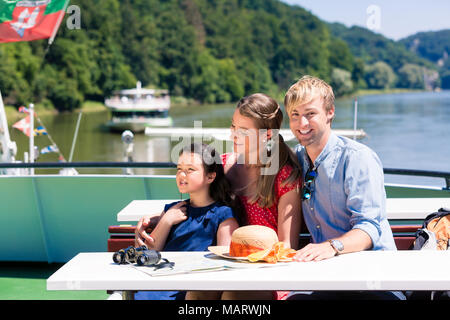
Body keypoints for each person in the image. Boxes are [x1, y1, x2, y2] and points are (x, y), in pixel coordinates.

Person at [135, 93, 303, 300]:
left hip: (264, 273)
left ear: (267, 135)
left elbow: (287, 245)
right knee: (198, 292)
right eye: (233, 127)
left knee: (234, 296)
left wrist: (250, 259)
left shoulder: (284, 176)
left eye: (244, 131)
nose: (234, 135)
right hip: (222, 266)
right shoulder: (223, 165)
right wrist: (157, 218)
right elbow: (199, 204)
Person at [284, 75, 405, 300]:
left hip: (374, 278)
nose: (302, 124)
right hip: (325, 275)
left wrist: (331, 246)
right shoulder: (297, 159)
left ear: (330, 112)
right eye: (295, 115)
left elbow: (368, 228)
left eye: (310, 114)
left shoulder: (358, 159)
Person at [133, 143, 240, 300]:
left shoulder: (223, 216)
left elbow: (225, 264)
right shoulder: (172, 210)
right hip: (156, 285)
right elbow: (150, 252)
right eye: (179, 169)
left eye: (190, 170)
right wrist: (166, 220)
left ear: (210, 176)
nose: (182, 175)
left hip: (190, 291)